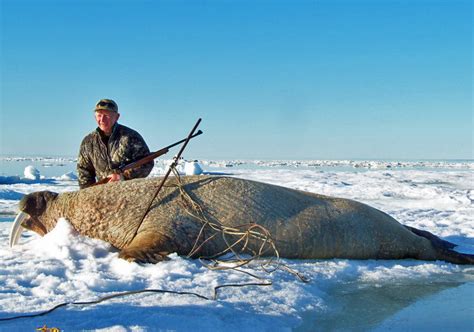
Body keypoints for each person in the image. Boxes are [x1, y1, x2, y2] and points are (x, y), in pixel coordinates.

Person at [77, 99, 154, 189]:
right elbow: (84, 172)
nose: (102, 119)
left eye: (106, 115)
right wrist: (87, 195)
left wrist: (122, 176)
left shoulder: (131, 136)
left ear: (117, 117)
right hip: (100, 194)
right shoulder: (88, 142)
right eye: (99, 115)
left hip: (130, 192)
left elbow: (147, 163)